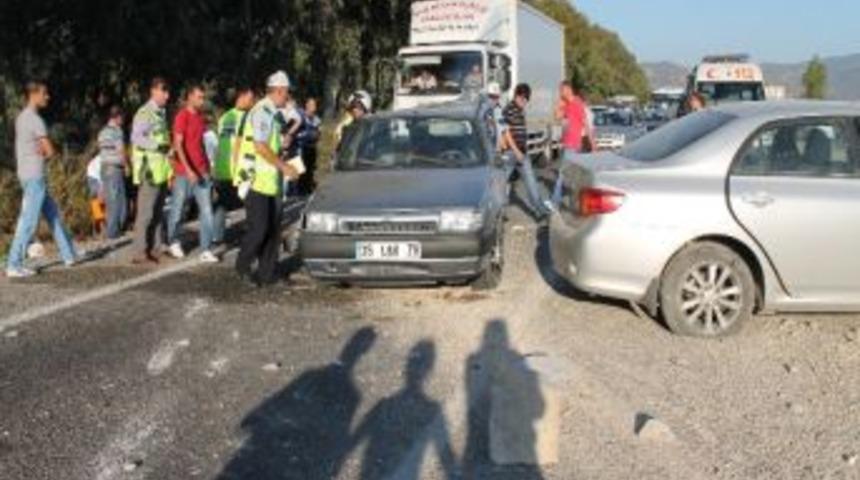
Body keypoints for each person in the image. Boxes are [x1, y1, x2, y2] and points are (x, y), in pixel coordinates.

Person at [5, 81, 80, 278]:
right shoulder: (36, 120)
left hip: (26, 173)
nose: (48, 97)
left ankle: (68, 254)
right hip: (34, 176)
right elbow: (50, 151)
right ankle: (14, 264)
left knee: (53, 214)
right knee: (29, 221)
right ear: (34, 94)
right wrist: (44, 152)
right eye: (44, 93)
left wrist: (40, 151)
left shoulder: (21, 118)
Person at [235, 71, 300, 286]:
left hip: (270, 181)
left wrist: (283, 145)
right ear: (279, 90)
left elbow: (270, 144)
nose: (288, 97)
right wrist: (284, 166)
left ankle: (267, 273)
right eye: (286, 93)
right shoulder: (262, 111)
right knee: (259, 229)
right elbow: (260, 147)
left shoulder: (273, 113)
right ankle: (242, 268)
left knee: (273, 231)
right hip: (255, 180)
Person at [166, 84, 218, 263]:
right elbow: (178, 145)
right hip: (183, 172)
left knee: (207, 211)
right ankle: (173, 241)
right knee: (178, 209)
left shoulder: (200, 118)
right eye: (199, 97)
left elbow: (200, 144)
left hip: (202, 172)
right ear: (189, 97)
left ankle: (206, 249)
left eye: (203, 97)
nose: (202, 101)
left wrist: (208, 169)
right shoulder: (182, 116)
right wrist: (188, 169)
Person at [130, 77, 173, 265]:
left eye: (167, 90)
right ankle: (140, 252)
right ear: (153, 91)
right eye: (163, 90)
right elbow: (136, 137)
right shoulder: (145, 112)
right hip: (149, 171)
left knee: (157, 213)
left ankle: (156, 248)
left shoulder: (160, 113)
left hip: (161, 170)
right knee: (146, 213)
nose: (167, 95)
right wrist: (158, 146)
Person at [212, 85, 255, 245]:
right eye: (250, 99)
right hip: (237, 168)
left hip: (221, 168)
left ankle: (217, 236)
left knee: (222, 204)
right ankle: (250, 234)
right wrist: (239, 168)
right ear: (241, 97)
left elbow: (219, 144)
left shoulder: (224, 117)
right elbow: (237, 144)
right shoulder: (245, 118)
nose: (252, 103)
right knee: (251, 201)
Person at [502, 83, 551, 220]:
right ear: (516, 96)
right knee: (500, 184)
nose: (524, 102)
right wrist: (516, 150)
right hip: (511, 153)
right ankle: (498, 213)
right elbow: (506, 133)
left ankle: (540, 211)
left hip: (522, 154)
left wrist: (522, 150)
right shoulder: (508, 110)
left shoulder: (520, 110)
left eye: (526, 99)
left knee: (531, 182)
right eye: (522, 98)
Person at [550, 81, 591, 208]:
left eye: (561, 90)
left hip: (573, 144)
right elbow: (557, 116)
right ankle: (575, 200)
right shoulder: (568, 105)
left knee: (563, 173)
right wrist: (559, 104)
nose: (560, 93)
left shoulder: (577, 104)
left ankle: (555, 201)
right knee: (572, 174)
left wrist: (591, 142)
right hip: (568, 143)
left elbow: (585, 123)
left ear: (568, 89)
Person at [97, 106, 128, 239]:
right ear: (117, 117)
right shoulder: (117, 131)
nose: (123, 120)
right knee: (118, 201)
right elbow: (120, 150)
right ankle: (113, 232)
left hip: (104, 167)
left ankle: (113, 230)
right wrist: (127, 165)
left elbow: (101, 150)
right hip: (115, 168)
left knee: (111, 200)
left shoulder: (102, 132)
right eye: (121, 118)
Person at [295, 98, 321, 196]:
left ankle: (307, 188)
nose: (312, 107)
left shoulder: (316, 119)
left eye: (314, 105)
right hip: (300, 147)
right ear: (306, 105)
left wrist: (317, 134)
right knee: (301, 170)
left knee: (310, 169)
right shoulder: (300, 116)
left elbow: (318, 132)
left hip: (311, 147)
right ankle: (299, 190)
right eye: (310, 104)